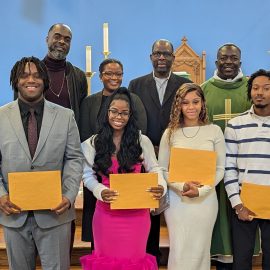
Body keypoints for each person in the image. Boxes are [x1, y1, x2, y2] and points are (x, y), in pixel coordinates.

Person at [0, 56, 83, 270]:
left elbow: (74, 158)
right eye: (25, 75)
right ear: (15, 81)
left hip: (55, 213)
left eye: (37, 75)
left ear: (45, 81)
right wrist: (1, 195)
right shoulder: (0, 116)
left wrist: (69, 194)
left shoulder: (65, 116)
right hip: (14, 212)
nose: (31, 80)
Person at [80, 87, 167, 269]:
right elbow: (87, 175)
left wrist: (161, 186)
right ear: (106, 112)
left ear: (130, 115)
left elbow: (155, 169)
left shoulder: (141, 141)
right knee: (106, 261)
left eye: (124, 113)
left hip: (137, 216)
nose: (118, 117)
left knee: (134, 261)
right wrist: (100, 190)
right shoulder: (92, 143)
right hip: (106, 214)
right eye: (114, 111)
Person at [128, 39, 191, 263]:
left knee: (177, 206)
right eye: (157, 54)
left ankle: (179, 255)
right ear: (151, 57)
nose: (161, 57)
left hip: (176, 152)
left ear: (173, 58)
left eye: (166, 54)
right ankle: (150, 255)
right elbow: (132, 118)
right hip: (145, 154)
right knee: (150, 204)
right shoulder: (136, 85)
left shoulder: (184, 84)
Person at [79, 58, 147, 245]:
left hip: (128, 169)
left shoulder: (134, 100)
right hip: (99, 167)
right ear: (100, 76)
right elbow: (85, 133)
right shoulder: (89, 102)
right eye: (109, 73)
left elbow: (141, 131)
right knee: (99, 229)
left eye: (118, 74)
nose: (114, 77)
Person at [158, 83, 225, 270]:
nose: (191, 107)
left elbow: (220, 168)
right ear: (178, 105)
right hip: (178, 201)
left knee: (201, 249)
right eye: (185, 103)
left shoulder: (214, 131)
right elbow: (162, 169)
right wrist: (182, 186)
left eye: (196, 102)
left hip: (206, 200)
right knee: (179, 249)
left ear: (203, 103)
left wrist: (202, 190)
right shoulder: (170, 133)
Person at [201, 43, 254, 269]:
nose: (229, 62)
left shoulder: (251, 89)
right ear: (216, 62)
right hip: (212, 167)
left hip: (246, 167)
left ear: (240, 62)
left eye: (234, 58)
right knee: (219, 218)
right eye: (224, 58)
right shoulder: (204, 89)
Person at [224, 69, 270, 270]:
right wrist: (237, 204)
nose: (260, 92)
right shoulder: (235, 125)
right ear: (250, 92)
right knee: (241, 261)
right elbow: (229, 167)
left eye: (267, 88)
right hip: (245, 202)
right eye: (256, 88)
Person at [43, 23, 87, 124]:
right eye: (57, 37)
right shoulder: (31, 73)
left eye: (67, 39)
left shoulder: (79, 76)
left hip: (69, 136)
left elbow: (82, 115)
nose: (62, 41)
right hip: (39, 136)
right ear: (47, 39)